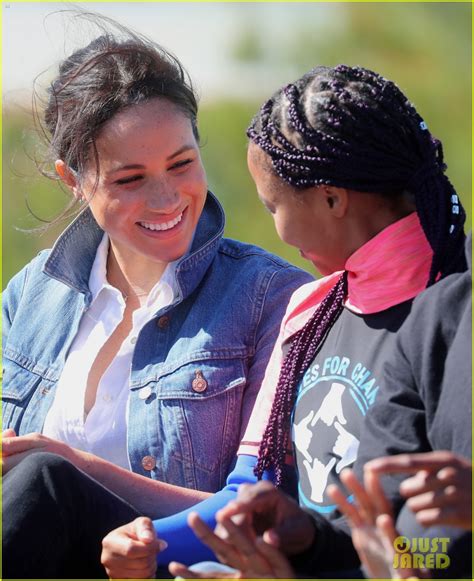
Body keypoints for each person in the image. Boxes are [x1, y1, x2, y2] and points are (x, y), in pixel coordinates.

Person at [100, 64, 467, 577]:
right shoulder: (313, 309)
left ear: (332, 199)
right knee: (49, 480)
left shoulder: (451, 310)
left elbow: (429, 549)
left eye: (273, 205)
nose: (277, 230)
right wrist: (150, 544)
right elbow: (259, 493)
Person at [1, 19, 312, 579]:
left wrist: (75, 466)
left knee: (44, 478)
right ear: (72, 179)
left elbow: (269, 517)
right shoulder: (29, 295)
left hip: (176, 569)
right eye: (130, 179)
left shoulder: (273, 298)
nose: (167, 197)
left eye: (181, 163)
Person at [165, 234, 472, 579]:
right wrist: (311, 542)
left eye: (273, 205)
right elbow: (393, 550)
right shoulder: (445, 307)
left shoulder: (436, 301)